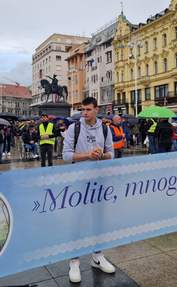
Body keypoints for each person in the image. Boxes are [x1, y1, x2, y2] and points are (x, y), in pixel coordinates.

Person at [62, 96, 115, 283]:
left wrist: (101, 154)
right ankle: (74, 260)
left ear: (96, 109)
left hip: (99, 181)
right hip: (78, 181)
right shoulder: (73, 128)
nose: (84, 113)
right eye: (82, 110)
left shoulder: (105, 128)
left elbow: (112, 152)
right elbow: (66, 155)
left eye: (88, 110)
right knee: (77, 218)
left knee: (98, 217)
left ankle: (97, 255)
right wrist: (88, 155)